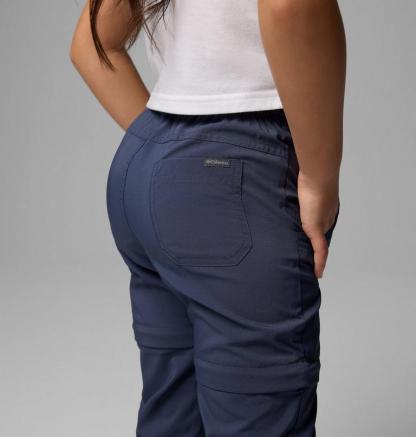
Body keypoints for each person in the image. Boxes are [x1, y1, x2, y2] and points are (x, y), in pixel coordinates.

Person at [70, 0, 345, 435]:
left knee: (174, 415)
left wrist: (170, 160)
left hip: (149, 163)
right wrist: (319, 176)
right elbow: (289, 5)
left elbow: (91, 44)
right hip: (232, 177)